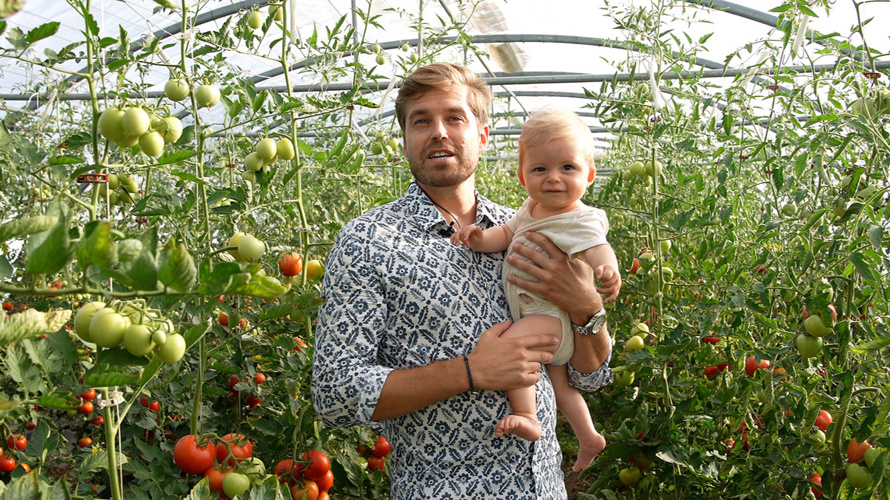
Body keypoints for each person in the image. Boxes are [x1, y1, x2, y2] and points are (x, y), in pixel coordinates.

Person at [311, 62, 613, 499]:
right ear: (406, 141)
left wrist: (586, 305)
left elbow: (591, 377)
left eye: (454, 117)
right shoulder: (369, 241)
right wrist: (471, 371)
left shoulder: (528, 227)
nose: (438, 132)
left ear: (482, 135)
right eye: (421, 121)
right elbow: (335, 392)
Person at [450, 108, 619, 471]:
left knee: (512, 345)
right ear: (523, 177)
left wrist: (607, 267)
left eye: (568, 168)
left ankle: (526, 415)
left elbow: (596, 245)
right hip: (543, 317)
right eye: (540, 169)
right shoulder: (530, 210)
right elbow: (505, 236)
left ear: (589, 175)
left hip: (550, 319)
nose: (553, 178)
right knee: (561, 388)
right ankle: (589, 437)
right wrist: (478, 238)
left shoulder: (579, 217)